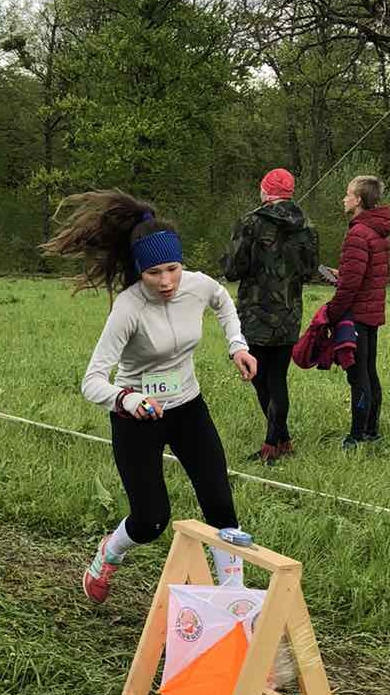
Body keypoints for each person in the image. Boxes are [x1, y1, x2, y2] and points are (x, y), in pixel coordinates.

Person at [42, 191, 258, 604]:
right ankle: (109, 552)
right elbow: (92, 381)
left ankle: (234, 601)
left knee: (220, 505)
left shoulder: (198, 286)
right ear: (140, 270)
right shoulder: (128, 308)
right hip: (137, 418)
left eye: (173, 269)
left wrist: (237, 346)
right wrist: (127, 400)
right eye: (154, 272)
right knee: (151, 519)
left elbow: (222, 301)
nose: (166, 282)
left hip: (188, 408)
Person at [220, 167, 319, 463]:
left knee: (262, 378)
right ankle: (283, 441)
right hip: (289, 311)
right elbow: (311, 271)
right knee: (276, 377)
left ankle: (270, 446)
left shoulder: (250, 223)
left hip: (255, 312)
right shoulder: (307, 227)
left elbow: (232, 270)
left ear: (265, 191)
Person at [322, 175, 390, 449]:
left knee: (358, 376)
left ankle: (357, 434)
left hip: (359, 314)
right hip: (371, 312)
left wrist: (332, 312)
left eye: (348, 193)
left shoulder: (358, 232)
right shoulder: (376, 230)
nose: (344, 198)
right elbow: (365, 273)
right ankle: (371, 429)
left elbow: (351, 285)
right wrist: (344, 273)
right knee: (369, 372)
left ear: (359, 199)